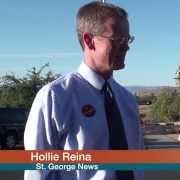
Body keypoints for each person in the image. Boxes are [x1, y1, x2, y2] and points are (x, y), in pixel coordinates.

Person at [24, 1, 144, 180]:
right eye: (118, 39)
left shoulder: (127, 100)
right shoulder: (54, 97)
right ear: (89, 40)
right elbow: (38, 172)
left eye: (128, 39)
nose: (126, 46)